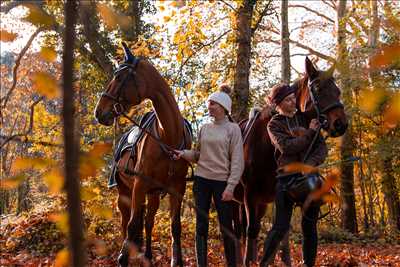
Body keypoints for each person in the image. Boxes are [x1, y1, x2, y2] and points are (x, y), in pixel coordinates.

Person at [174, 84, 244, 267]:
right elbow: (198, 155)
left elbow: (237, 161)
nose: (209, 106)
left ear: (223, 107)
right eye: (209, 103)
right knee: (201, 227)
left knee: (226, 227)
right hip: (202, 181)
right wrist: (183, 153)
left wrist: (231, 187)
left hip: (222, 184)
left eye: (212, 103)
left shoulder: (233, 129)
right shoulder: (204, 128)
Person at [260, 83, 328, 267]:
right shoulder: (274, 124)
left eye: (293, 98)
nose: (293, 102)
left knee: (310, 226)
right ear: (278, 104)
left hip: (310, 178)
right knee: (280, 227)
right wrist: (311, 133)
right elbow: (286, 147)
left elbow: (321, 148)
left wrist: (310, 164)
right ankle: (264, 263)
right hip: (286, 179)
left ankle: (309, 264)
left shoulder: (306, 119)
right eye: (288, 100)